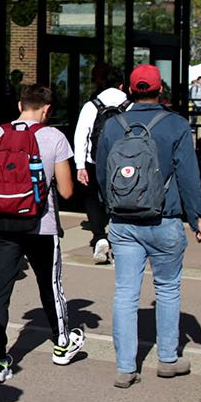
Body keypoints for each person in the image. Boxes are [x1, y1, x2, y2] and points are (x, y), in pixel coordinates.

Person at [0, 85, 82, 383]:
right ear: (47, 109)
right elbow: (66, 190)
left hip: (0, 223)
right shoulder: (54, 138)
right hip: (42, 225)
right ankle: (63, 343)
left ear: (19, 105)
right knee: (50, 285)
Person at [97, 65, 201, 389]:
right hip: (165, 220)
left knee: (125, 293)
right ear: (161, 91)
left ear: (130, 90)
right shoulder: (175, 125)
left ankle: (124, 367)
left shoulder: (114, 125)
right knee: (168, 288)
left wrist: (111, 210)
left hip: (123, 222)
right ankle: (167, 360)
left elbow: (104, 175)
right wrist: (197, 216)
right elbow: (189, 176)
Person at [72, 65, 128, 264]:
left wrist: (80, 165)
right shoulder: (129, 105)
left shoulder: (92, 105)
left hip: (94, 161)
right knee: (120, 196)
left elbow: (81, 136)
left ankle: (99, 236)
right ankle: (119, 236)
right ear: (122, 85)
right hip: (123, 163)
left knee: (92, 198)